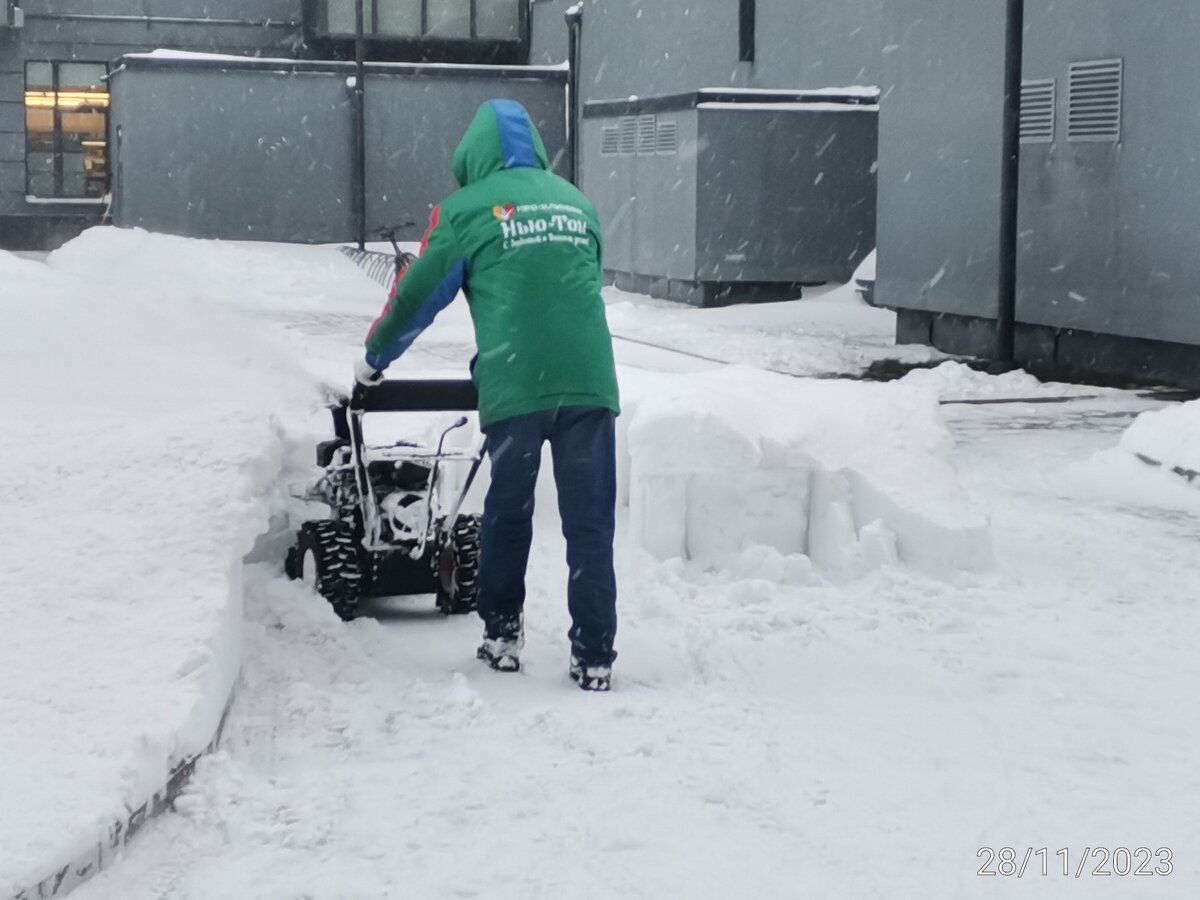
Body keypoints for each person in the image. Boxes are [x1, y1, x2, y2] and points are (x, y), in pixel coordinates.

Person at [354, 99, 620, 692]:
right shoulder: (576, 202)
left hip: (516, 379)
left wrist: (374, 361)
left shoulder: (463, 211)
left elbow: (416, 298)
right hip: (590, 383)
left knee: (508, 511)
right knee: (590, 523)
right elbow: (574, 282)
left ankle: (501, 633)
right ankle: (595, 653)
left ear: (472, 155)